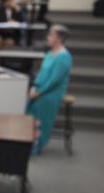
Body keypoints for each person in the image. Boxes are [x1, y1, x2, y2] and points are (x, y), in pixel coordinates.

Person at [27, 25, 72, 154]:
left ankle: (37, 143)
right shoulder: (49, 54)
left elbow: (55, 80)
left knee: (41, 105)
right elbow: (41, 74)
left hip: (52, 91)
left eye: (51, 35)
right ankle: (28, 140)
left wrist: (40, 92)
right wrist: (34, 86)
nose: (48, 38)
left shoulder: (64, 57)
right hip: (41, 88)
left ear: (59, 39)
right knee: (29, 106)